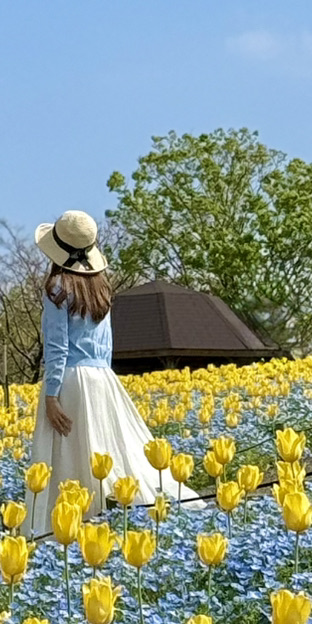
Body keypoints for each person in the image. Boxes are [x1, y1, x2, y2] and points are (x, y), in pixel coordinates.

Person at [27, 209, 191, 519]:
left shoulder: (57, 288)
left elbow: (58, 347)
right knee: (105, 448)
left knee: (69, 455)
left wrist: (51, 395)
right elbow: (107, 344)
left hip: (70, 379)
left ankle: (65, 520)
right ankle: (109, 512)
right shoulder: (102, 287)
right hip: (103, 377)